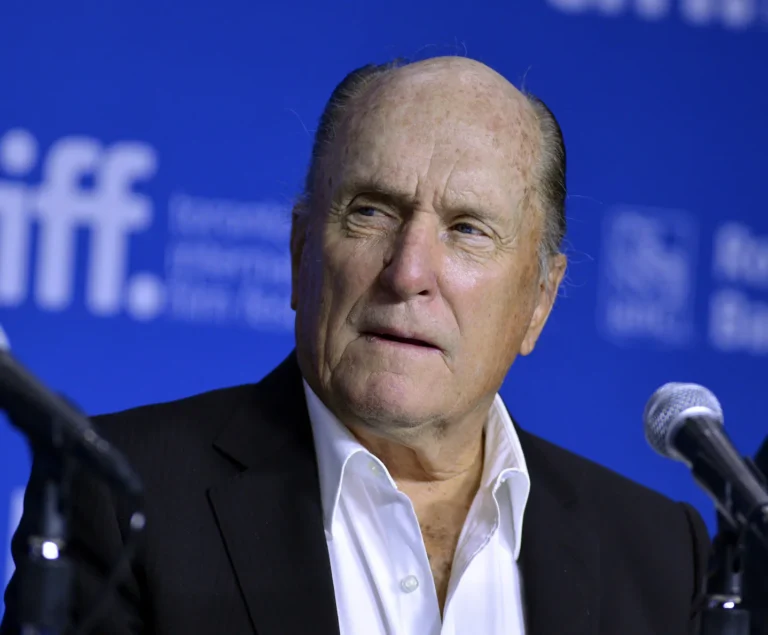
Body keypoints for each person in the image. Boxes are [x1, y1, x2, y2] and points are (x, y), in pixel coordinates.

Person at [2, 56, 709, 635]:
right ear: (300, 252)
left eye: (468, 229)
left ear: (539, 301)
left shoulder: (660, 557)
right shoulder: (124, 494)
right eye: (371, 212)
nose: (407, 272)